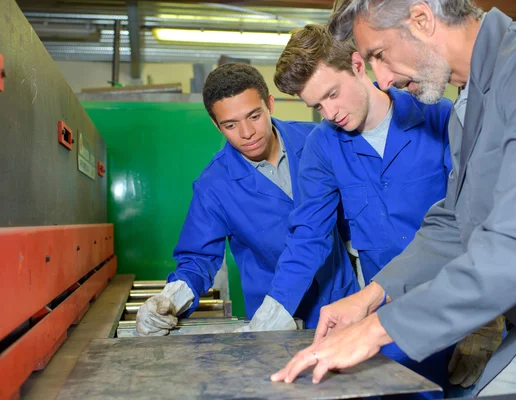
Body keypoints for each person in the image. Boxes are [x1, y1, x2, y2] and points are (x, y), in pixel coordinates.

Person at [271, 0, 516, 397]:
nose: (384, 79)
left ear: (422, 19)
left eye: (380, 55)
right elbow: (453, 220)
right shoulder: (470, 101)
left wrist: (379, 329)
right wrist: (371, 297)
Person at [269, 24, 481, 396]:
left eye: (332, 94)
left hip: (457, 309)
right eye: (317, 106)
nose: (330, 112)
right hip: (387, 324)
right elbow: (308, 236)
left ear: (356, 64)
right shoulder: (322, 147)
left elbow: (475, 219)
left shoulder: (440, 117)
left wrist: (485, 320)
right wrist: (275, 310)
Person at [135, 62, 359, 336]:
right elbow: (198, 258)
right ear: (216, 125)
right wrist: (170, 299)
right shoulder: (213, 186)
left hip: (343, 301)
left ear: (270, 104)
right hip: (273, 322)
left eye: (254, 116)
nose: (246, 133)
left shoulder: (316, 139)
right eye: (230, 124)